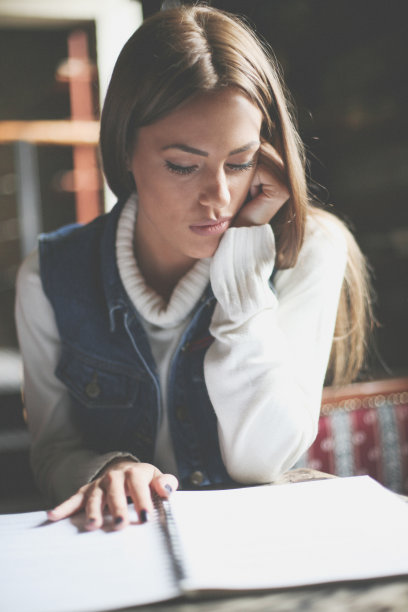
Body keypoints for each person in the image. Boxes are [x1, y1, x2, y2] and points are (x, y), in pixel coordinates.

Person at [15, 4, 372, 531]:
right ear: (124, 150)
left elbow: (263, 460)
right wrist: (106, 469)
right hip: (118, 548)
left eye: (240, 161)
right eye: (184, 165)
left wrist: (245, 277)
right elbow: (53, 453)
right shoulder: (47, 278)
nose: (220, 197)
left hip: (261, 550)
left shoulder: (309, 249)